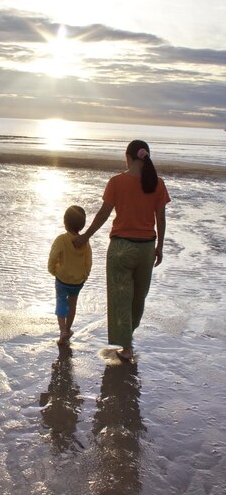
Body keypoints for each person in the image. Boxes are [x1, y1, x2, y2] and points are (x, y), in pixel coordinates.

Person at [75, 140, 171, 362]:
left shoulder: (116, 182)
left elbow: (103, 214)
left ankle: (125, 346)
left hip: (120, 248)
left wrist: (85, 236)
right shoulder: (157, 183)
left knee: (120, 298)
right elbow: (161, 218)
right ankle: (128, 339)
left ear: (128, 157)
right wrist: (160, 246)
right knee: (138, 298)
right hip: (146, 249)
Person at [48, 205, 93, 345]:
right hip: (78, 282)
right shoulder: (85, 242)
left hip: (62, 279)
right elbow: (88, 261)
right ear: (82, 225)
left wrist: (52, 270)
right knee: (72, 305)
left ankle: (62, 331)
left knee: (61, 302)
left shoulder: (61, 239)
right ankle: (68, 329)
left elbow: (53, 257)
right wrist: (85, 275)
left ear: (64, 222)